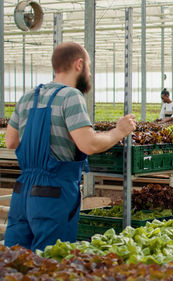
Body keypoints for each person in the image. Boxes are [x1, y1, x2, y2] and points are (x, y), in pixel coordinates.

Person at [4, 42, 136, 251]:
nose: (90, 74)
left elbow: (10, 141)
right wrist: (119, 131)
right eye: (90, 68)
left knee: (15, 261)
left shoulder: (28, 97)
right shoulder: (71, 96)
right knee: (51, 259)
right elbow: (89, 144)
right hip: (54, 193)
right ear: (79, 64)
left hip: (22, 192)